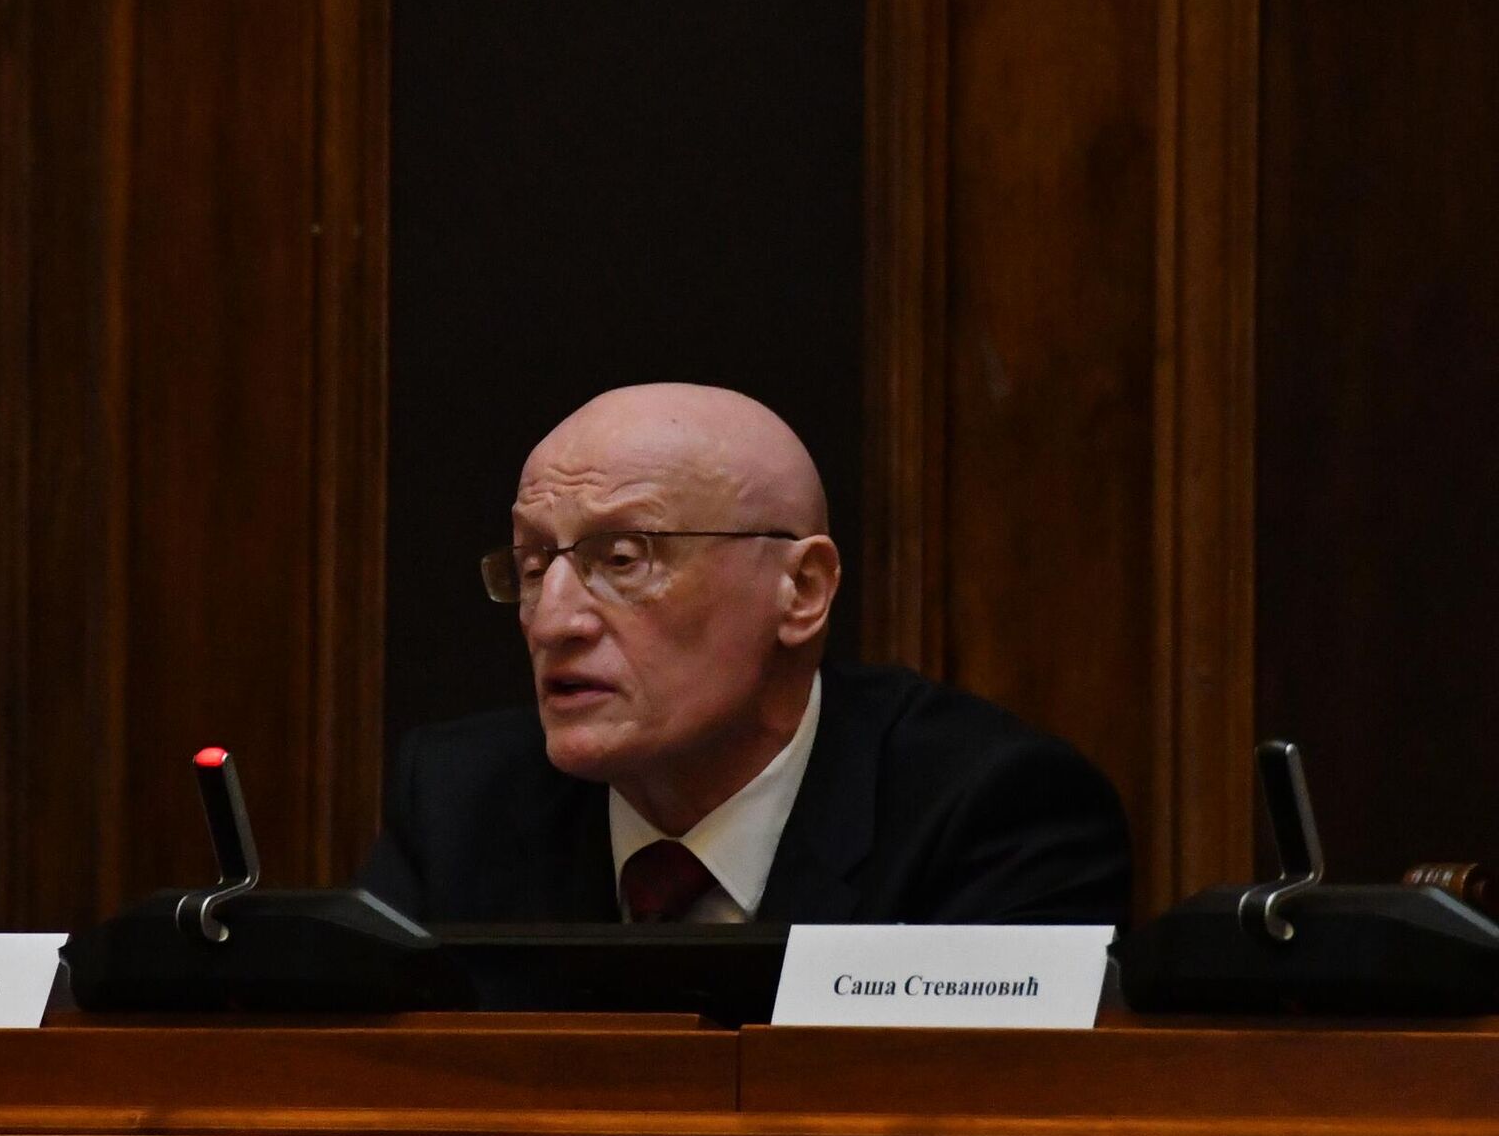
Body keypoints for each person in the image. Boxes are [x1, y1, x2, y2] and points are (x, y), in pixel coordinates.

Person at [360, 384, 1130, 927]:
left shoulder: (989, 816)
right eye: (533, 568)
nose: (553, 620)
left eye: (623, 559)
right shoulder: (461, 805)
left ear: (802, 590)